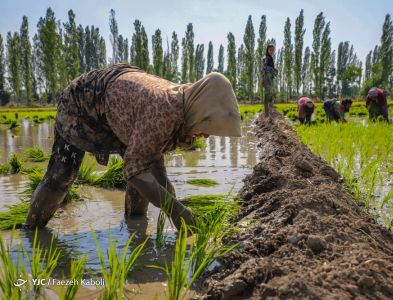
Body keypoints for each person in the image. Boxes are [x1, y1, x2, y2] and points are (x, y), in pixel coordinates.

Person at [24, 64, 242, 231]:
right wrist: (176, 211)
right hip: (82, 104)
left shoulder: (183, 106)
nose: (204, 135)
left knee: (146, 176)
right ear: (201, 111)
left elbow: (151, 162)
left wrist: (172, 198)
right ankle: (32, 233)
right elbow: (135, 170)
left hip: (121, 111)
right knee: (61, 175)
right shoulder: (163, 111)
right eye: (207, 126)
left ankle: (135, 229)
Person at [261, 44, 278, 118]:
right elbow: (264, 68)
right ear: (267, 50)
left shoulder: (271, 58)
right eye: (270, 50)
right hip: (266, 78)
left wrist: (275, 72)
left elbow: (270, 69)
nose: (272, 51)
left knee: (271, 95)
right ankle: (267, 114)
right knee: (268, 95)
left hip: (270, 78)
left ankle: (270, 112)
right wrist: (273, 69)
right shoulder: (266, 58)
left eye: (273, 50)